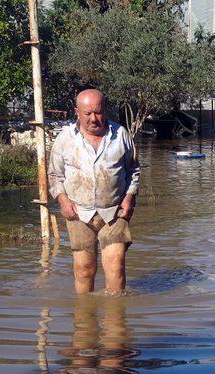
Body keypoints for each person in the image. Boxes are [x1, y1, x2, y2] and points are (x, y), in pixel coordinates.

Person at [48, 89, 140, 294]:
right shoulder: (65, 138)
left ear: (105, 110)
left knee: (116, 265)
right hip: (78, 212)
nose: (93, 118)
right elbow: (54, 175)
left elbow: (133, 169)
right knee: (84, 269)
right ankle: (84, 319)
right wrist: (63, 200)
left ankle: (115, 320)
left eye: (98, 112)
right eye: (87, 113)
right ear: (77, 112)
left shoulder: (120, 134)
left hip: (115, 211)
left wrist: (129, 198)